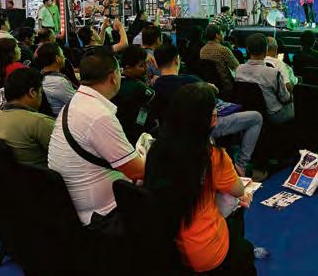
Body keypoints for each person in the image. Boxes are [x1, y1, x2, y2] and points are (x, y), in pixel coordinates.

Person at [145, 83, 257, 275]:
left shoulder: (156, 149)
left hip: (165, 245)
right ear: (212, 119)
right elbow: (239, 190)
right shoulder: (212, 156)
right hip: (205, 250)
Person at [47, 51, 145, 225]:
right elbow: (137, 170)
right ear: (113, 77)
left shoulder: (74, 103)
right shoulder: (98, 115)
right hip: (102, 215)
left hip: (72, 204)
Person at [154, 44, 264, 178]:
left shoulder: (154, 86)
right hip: (204, 129)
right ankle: (241, 164)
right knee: (256, 117)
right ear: (177, 60)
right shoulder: (191, 81)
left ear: (156, 64)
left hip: (174, 134)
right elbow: (214, 92)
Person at [0, 68, 55, 168]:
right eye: (40, 92)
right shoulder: (40, 122)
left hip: (7, 177)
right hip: (44, 177)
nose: (41, 96)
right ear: (32, 92)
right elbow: (67, 156)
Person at [235, 33, 293, 124]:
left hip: (248, 111)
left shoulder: (239, 69)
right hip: (273, 115)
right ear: (266, 49)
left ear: (247, 49)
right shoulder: (273, 73)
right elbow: (285, 98)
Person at [111, 46, 157, 145]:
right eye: (141, 66)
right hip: (134, 137)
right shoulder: (141, 89)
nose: (146, 68)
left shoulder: (115, 81)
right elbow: (142, 119)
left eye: (146, 64)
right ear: (128, 68)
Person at [200, 24, 239, 97]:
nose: (223, 35)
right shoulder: (223, 50)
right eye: (222, 33)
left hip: (211, 85)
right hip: (226, 85)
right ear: (217, 35)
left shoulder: (202, 50)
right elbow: (236, 66)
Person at [38, 42, 76, 116]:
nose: (64, 58)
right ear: (57, 58)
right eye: (62, 55)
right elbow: (76, 102)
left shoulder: (41, 75)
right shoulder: (58, 82)